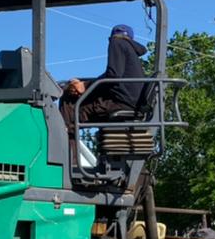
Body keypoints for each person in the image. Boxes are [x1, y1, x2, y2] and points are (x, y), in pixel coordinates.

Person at [59, 25, 148, 160]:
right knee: (73, 97)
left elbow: (113, 76)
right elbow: (113, 78)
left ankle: (69, 165)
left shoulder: (117, 43)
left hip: (121, 102)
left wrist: (85, 86)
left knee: (71, 110)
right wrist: (84, 85)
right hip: (129, 101)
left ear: (111, 37)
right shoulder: (130, 51)